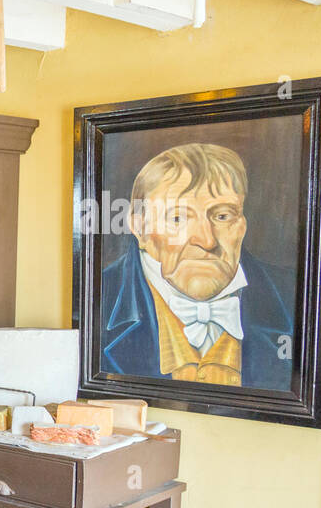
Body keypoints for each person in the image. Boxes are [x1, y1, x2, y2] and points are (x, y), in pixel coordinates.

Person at [99, 142, 293, 389]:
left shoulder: (294, 295)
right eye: (178, 218)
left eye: (222, 216)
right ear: (140, 229)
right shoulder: (96, 298)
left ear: (242, 225)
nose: (206, 240)